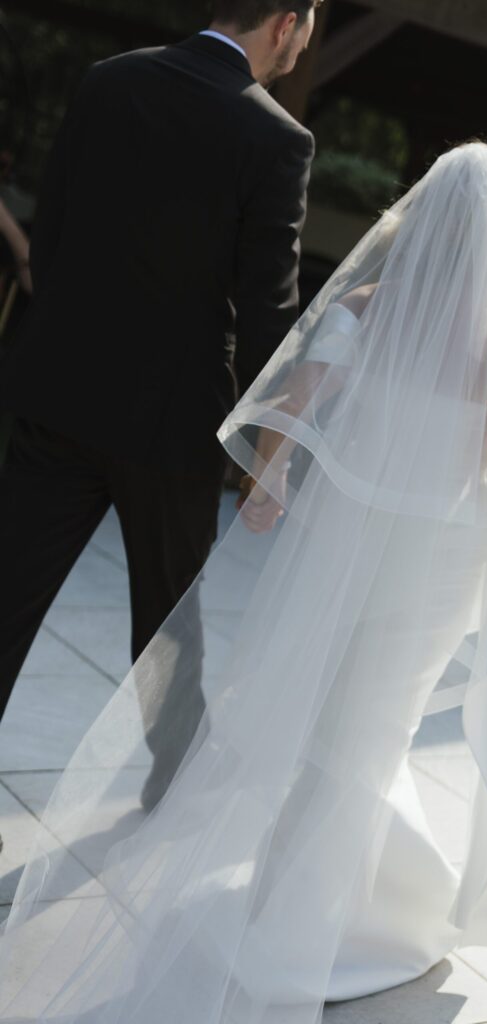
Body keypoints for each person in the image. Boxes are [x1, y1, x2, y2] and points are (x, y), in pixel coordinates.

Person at [0, 142, 487, 1022]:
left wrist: (274, 477)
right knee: (373, 731)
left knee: (333, 723)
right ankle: (309, 931)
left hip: (348, 547)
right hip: (435, 567)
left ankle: (336, 902)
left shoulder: (367, 305)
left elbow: (291, 401)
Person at [0, 1, 320, 817]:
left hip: (56, 398)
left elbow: (54, 236)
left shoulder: (110, 82)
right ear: (286, 23)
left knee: (7, 599)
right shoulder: (277, 139)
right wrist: (265, 448)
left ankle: (175, 777)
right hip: (172, 428)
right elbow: (266, 313)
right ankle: (173, 791)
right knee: (168, 624)